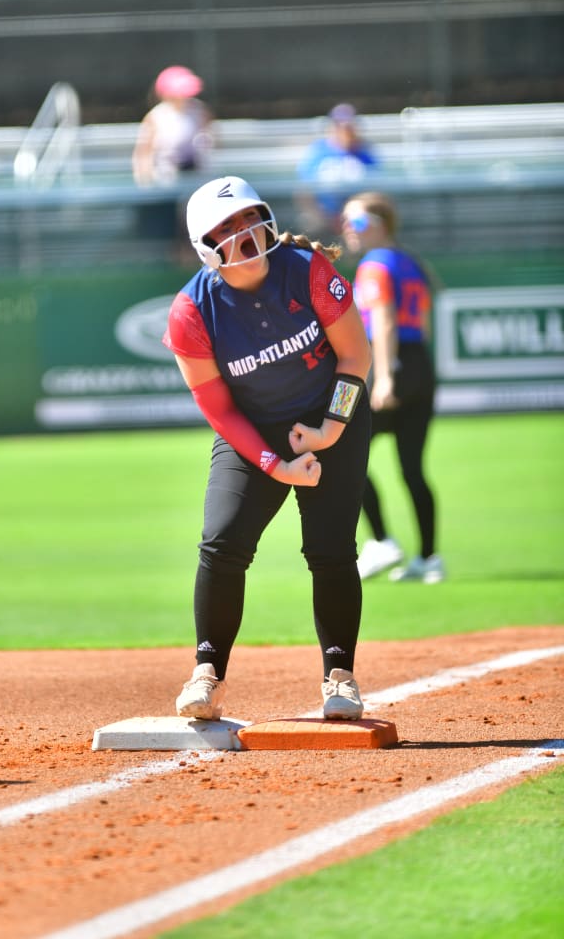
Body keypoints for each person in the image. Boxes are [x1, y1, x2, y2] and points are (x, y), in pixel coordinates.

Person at [163, 176, 372, 722]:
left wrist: (329, 429)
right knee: (222, 541)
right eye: (227, 227)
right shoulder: (192, 310)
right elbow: (220, 408)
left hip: (330, 419)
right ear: (204, 244)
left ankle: (340, 677)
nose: (245, 232)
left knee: (330, 549)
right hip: (251, 431)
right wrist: (272, 464)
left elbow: (355, 356)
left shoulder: (307, 271)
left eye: (250, 216)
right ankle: (206, 673)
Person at [341, 191, 444, 583]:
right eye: (346, 222)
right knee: (413, 469)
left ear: (381, 225)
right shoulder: (408, 260)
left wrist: (384, 377)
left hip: (389, 365)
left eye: (359, 222)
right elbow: (425, 323)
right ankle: (429, 559)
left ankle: (383, 542)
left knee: (342, 451)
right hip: (419, 363)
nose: (349, 229)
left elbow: (382, 322)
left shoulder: (374, 266)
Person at [295, 103, 379, 240]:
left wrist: (352, 213)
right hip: (322, 217)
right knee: (308, 226)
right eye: (340, 125)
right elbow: (304, 191)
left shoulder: (365, 152)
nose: (345, 130)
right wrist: (323, 217)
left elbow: (375, 190)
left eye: (349, 125)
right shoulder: (317, 152)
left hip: (356, 215)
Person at [132, 66, 213, 188]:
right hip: (165, 177)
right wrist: (145, 179)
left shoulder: (199, 110)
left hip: (196, 175)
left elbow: (209, 137)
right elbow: (143, 152)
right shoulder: (156, 116)